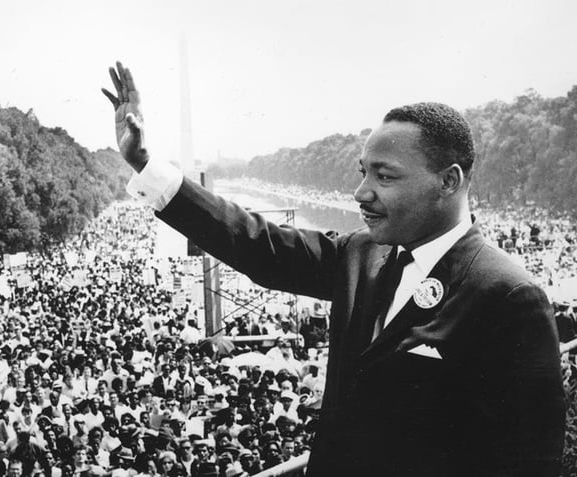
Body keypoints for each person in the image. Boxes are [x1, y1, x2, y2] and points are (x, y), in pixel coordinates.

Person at [102, 62, 565, 476]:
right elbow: (256, 244)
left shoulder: (508, 296)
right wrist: (146, 164)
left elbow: (529, 462)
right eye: (362, 172)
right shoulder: (361, 253)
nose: (361, 192)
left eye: (384, 176)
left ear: (449, 181)